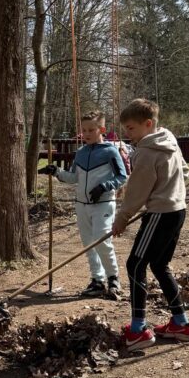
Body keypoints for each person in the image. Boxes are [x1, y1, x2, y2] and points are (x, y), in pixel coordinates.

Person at [112, 97, 189, 350]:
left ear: (148, 124)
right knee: (159, 264)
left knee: (135, 264)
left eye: (131, 128)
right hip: (177, 210)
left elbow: (137, 193)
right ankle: (181, 323)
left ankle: (138, 330)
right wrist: (169, 190)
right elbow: (184, 171)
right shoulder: (169, 140)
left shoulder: (146, 153)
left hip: (160, 214)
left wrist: (121, 219)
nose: (127, 133)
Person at [40, 110, 127, 300]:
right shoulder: (80, 152)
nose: (86, 134)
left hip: (103, 203)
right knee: (88, 244)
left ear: (101, 130)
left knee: (101, 240)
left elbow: (122, 176)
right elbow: (73, 178)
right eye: (84, 130)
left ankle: (113, 279)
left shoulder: (110, 151)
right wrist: (56, 171)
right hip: (81, 205)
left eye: (91, 130)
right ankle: (97, 280)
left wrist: (104, 186)